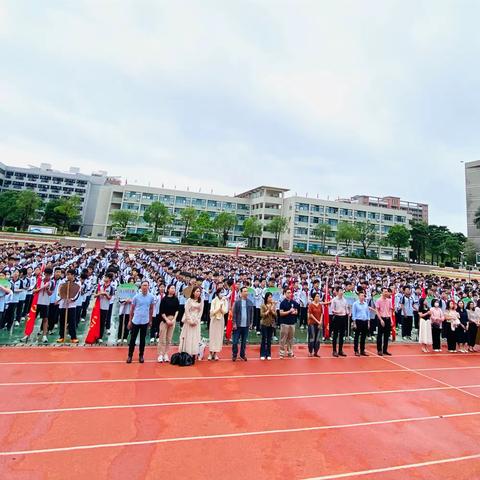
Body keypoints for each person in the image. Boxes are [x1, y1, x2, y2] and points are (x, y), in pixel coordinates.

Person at [127, 280, 155, 364]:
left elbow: (151, 309)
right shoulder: (136, 297)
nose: (145, 287)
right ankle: (130, 355)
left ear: (148, 286)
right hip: (136, 320)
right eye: (143, 285)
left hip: (145, 321)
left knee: (143, 340)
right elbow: (132, 309)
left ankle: (141, 355)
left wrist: (150, 320)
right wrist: (129, 321)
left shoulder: (151, 297)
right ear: (141, 286)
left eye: (146, 285)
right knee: (132, 339)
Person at [178, 286, 203, 357]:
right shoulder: (189, 300)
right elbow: (186, 311)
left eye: (199, 291)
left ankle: (194, 352)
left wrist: (196, 320)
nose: (198, 293)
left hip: (196, 321)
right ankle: (187, 352)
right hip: (189, 321)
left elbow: (201, 311)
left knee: (195, 336)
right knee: (188, 336)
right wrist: (190, 321)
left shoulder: (201, 301)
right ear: (193, 292)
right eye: (197, 291)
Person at [157, 284, 179, 363]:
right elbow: (161, 311)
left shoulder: (176, 299)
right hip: (164, 320)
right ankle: (160, 354)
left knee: (169, 339)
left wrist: (174, 319)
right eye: (172, 288)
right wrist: (167, 320)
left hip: (172, 320)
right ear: (168, 289)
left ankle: (166, 354)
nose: (173, 289)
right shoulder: (164, 299)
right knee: (162, 338)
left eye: (174, 288)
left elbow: (177, 310)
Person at [57, 269, 80, 344]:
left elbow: (77, 293)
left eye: (69, 274)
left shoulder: (77, 282)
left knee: (72, 321)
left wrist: (72, 299)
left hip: (72, 305)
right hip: (63, 304)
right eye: (67, 274)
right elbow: (59, 291)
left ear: (73, 275)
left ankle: (73, 337)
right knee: (62, 321)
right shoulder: (62, 281)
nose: (68, 276)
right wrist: (60, 298)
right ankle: (62, 336)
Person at [232, 286, 254, 361]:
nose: (246, 293)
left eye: (247, 291)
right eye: (244, 291)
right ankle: (234, 354)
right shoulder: (237, 302)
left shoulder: (250, 302)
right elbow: (234, 313)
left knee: (244, 342)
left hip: (246, 325)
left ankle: (242, 354)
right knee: (235, 341)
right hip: (238, 325)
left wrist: (251, 323)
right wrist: (234, 323)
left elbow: (251, 313)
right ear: (241, 293)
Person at [278, 288, 300, 358]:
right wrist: (289, 311)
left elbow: (297, 311)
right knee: (283, 339)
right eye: (288, 292)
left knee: (290, 339)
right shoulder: (282, 303)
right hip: (284, 323)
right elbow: (281, 313)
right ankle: (281, 353)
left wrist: (295, 312)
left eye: (290, 292)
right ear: (284, 294)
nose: (289, 294)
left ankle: (290, 352)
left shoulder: (294, 302)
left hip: (292, 323)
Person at [208, 288, 227, 360]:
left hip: (221, 320)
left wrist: (221, 308)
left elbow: (225, 311)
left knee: (218, 336)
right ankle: (210, 353)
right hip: (214, 319)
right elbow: (212, 312)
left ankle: (215, 353)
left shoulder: (224, 300)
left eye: (223, 292)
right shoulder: (213, 301)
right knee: (212, 336)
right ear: (217, 293)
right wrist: (219, 308)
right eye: (220, 292)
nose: (222, 294)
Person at [352, 291, 372, 356]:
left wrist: (368, 323)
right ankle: (356, 350)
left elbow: (368, 313)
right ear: (358, 296)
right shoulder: (355, 304)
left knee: (363, 337)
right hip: (358, 321)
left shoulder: (366, 304)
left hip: (365, 321)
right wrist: (354, 323)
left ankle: (362, 350)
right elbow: (354, 314)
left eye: (363, 296)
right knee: (357, 336)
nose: (362, 297)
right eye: (361, 296)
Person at [331, 287, 349, 357]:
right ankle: (334, 350)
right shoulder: (334, 300)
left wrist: (348, 312)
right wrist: (337, 312)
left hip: (343, 318)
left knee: (342, 335)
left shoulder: (345, 300)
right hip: (337, 317)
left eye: (342, 291)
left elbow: (346, 308)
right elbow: (332, 310)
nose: (342, 292)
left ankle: (340, 350)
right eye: (340, 291)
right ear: (337, 292)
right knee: (335, 335)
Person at [375, 287, 393, 356]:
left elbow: (390, 310)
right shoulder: (378, 300)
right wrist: (380, 319)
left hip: (388, 318)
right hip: (381, 318)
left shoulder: (389, 301)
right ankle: (379, 350)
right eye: (385, 292)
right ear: (382, 292)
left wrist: (391, 320)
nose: (386, 293)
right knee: (379, 335)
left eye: (387, 292)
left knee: (386, 336)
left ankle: (385, 350)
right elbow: (377, 310)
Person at [260, 291, 276, 360]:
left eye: (271, 297)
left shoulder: (273, 305)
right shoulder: (263, 305)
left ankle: (268, 354)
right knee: (264, 339)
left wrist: (272, 310)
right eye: (269, 297)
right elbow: (262, 315)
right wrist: (268, 310)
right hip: (264, 324)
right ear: (266, 298)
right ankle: (262, 354)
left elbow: (275, 315)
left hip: (271, 324)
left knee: (269, 340)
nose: (271, 298)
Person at [307, 292, 324, 357]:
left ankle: (316, 351)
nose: (318, 297)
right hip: (312, 323)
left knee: (317, 339)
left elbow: (322, 313)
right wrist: (317, 321)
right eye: (316, 296)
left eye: (318, 296)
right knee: (312, 338)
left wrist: (320, 321)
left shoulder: (320, 305)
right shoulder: (311, 305)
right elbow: (310, 315)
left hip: (319, 324)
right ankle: (310, 351)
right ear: (314, 297)